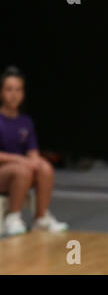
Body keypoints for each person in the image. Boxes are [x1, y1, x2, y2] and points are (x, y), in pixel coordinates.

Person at [0, 66, 68, 236]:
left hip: (20, 170)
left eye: (18, 90)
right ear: (1, 92)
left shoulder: (26, 122)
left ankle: (41, 217)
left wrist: (35, 160)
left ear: (23, 94)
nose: (13, 94)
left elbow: (32, 151)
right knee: (21, 170)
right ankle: (12, 217)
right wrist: (20, 160)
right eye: (9, 89)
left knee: (44, 167)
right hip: (5, 171)